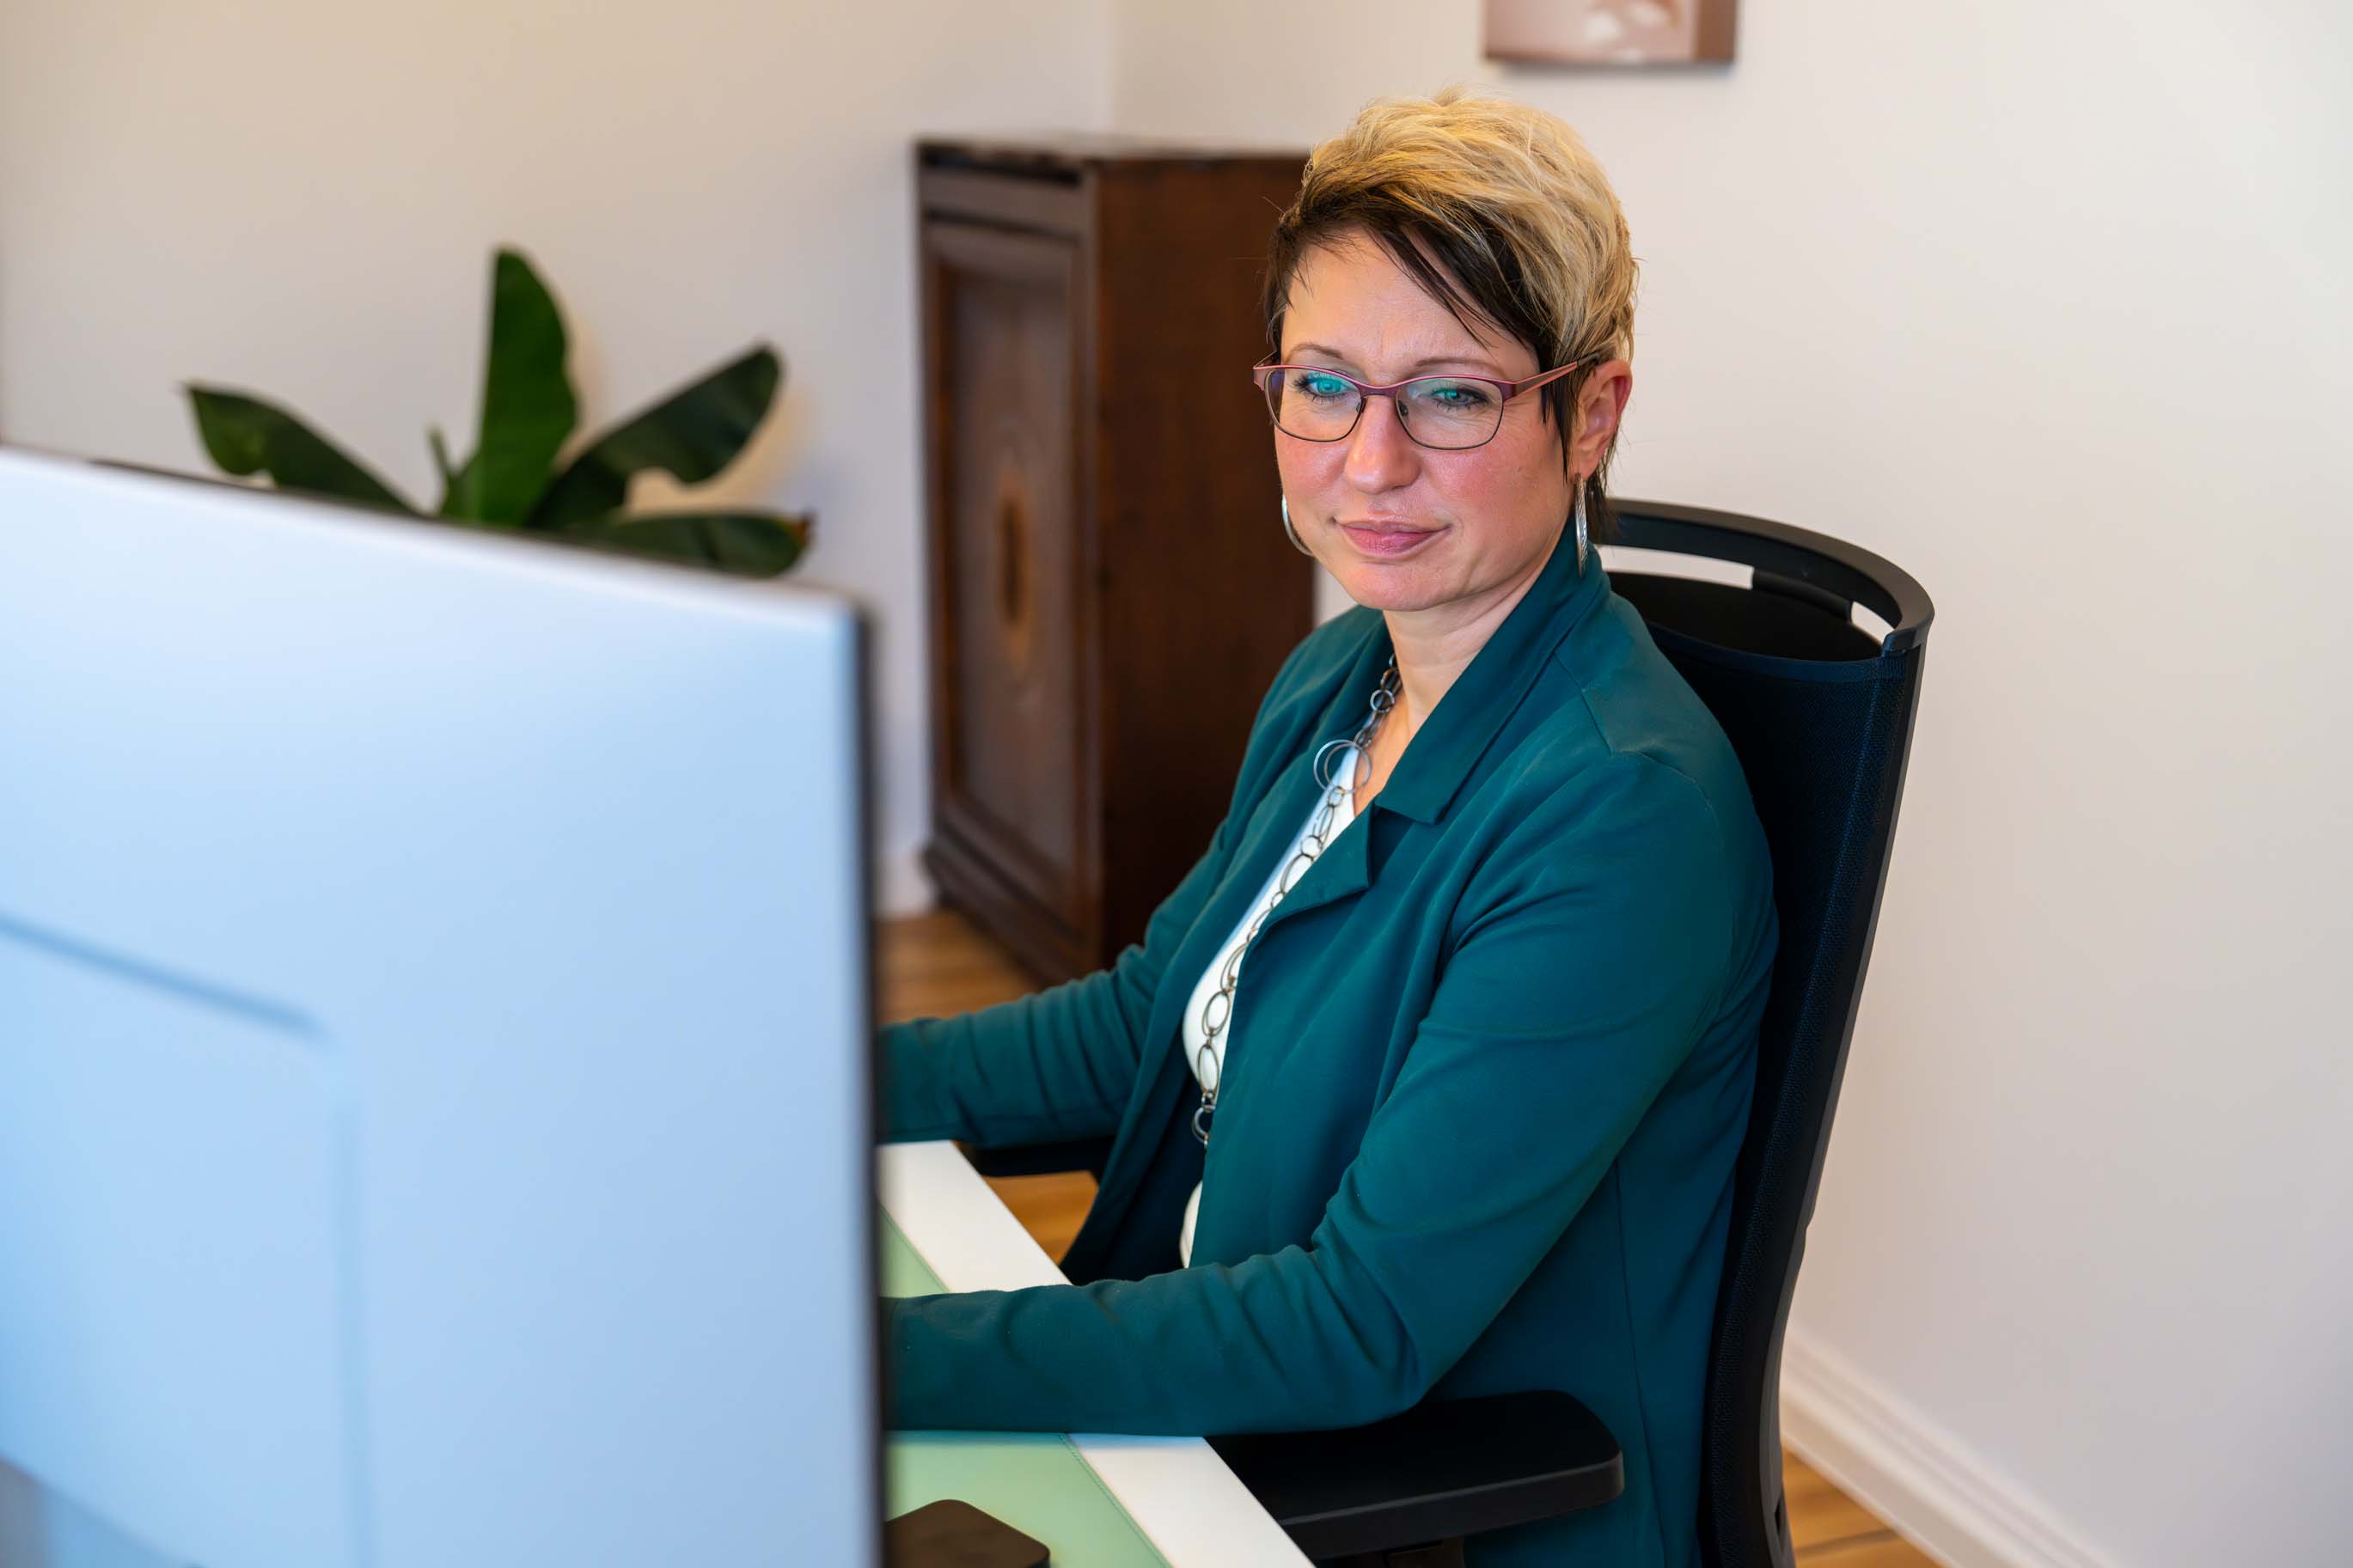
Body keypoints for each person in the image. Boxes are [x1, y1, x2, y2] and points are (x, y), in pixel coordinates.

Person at [881, 85, 1779, 1568]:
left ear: (1591, 410)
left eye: (1449, 394)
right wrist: (780, 1090)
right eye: (1323, 384)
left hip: (1399, 1507)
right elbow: (1141, 1026)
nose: (1368, 463)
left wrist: (863, 1353)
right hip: (1214, 1416)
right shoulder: (1346, 675)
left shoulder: (1618, 815)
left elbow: (1355, 1324)